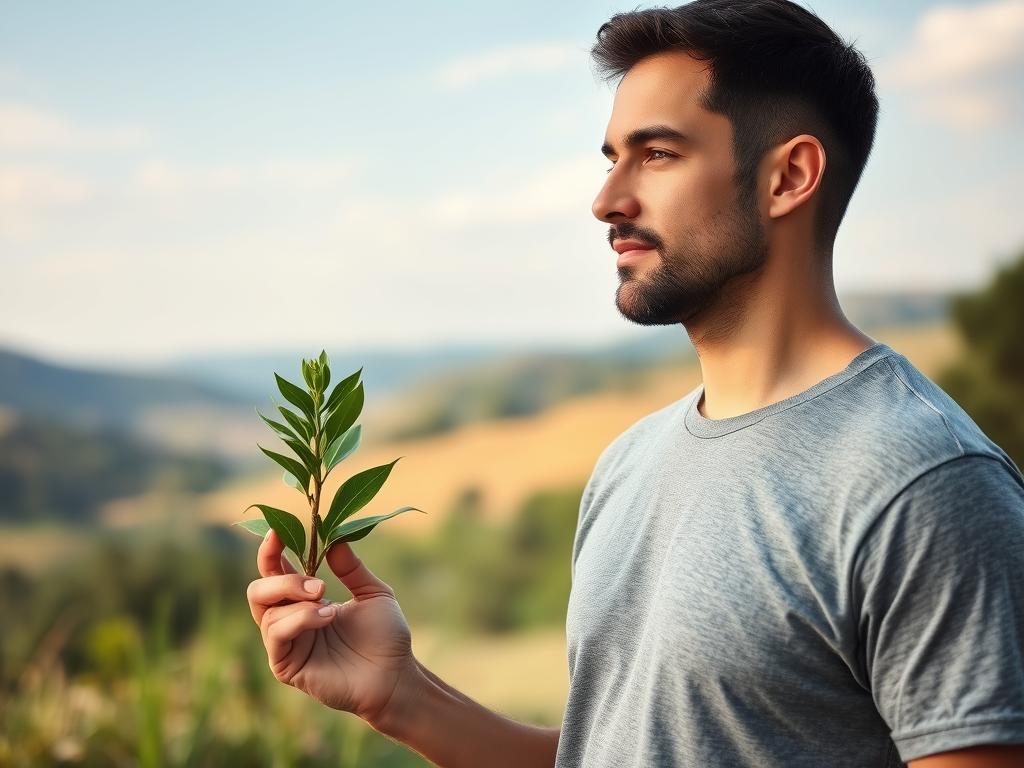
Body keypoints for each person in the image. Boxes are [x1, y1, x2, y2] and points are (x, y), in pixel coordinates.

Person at [245, 1, 1024, 765]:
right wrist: (402, 696)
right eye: (612, 157)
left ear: (789, 176)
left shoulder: (923, 484)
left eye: (656, 154)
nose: (607, 201)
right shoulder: (629, 461)